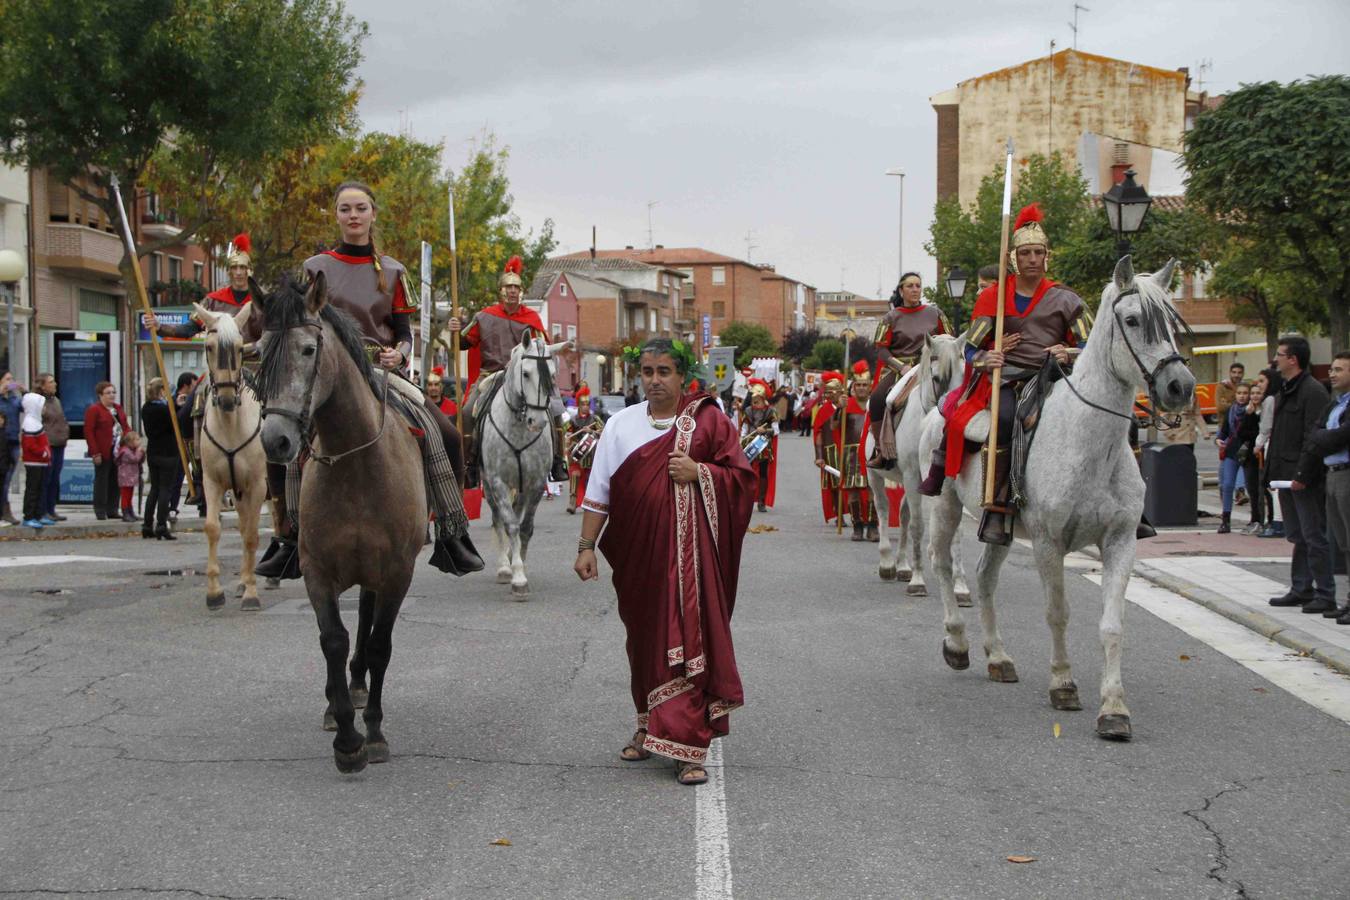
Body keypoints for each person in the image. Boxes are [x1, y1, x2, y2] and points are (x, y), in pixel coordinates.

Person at [258, 180, 481, 580]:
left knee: (445, 433)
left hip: (381, 371)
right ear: (337, 216)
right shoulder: (313, 268)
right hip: (326, 374)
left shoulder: (393, 270)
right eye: (345, 209)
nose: (353, 216)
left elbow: (404, 329)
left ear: (373, 214)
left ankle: (452, 529)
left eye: (360, 208)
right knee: (283, 440)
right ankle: (287, 538)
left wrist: (401, 350)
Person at [573, 338, 754, 786]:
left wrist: (702, 473)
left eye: (664, 372)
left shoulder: (711, 422)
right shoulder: (620, 425)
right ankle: (648, 724)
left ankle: (688, 746)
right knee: (644, 642)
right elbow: (599, 493)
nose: (654, 381)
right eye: (648, 372)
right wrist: (585, 546)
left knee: (688, 641)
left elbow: (743, 481)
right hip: (637, 560)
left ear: (682, 374)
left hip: (692, 566)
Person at [919, 203, 1092, 545]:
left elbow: (1091, 345)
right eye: (1025, 252)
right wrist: (988, 356)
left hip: (1056, 379)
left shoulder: (1068, 299)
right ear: (1014, 258)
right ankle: (999, 504)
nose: (1032, 259)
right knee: (1006, 420)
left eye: (1038, 252)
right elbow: (969, 348)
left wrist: (1068, 351)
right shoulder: (994, 298)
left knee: (1103, 419)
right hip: (1010, 380)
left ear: (1048, 256)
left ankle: (1116, 500)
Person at [447, 256, 568, 484]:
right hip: (491, 375)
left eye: (516, 287)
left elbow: (541, 347)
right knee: (466, 412)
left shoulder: (531, 319)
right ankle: (470, 464)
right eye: (508, 287)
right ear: (501, 290)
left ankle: (557, 460)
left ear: (521, 292)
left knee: (555, 408)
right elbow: (463, 343)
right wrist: (456, 329)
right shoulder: (484, 316)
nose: (512, 291)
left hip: (525, 376)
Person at [1266, 335, 1335, 613]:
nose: (1275, 360)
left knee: (1313, 535)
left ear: (1292, 359)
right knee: (1298, 535)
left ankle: (1325, 592)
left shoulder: (1312, 392)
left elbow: (1313, 437)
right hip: (1285, 475)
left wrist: (1303, 474)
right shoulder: (1286, 390)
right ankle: (1301, 588)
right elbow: (1279, 436)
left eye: (1280, 355)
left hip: (1303, 478)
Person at [867, 271, 952, 468]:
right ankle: (881, 450)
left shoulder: (935, 313)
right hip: (901, 370)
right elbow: (881, 349)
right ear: (901, 290)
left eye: (918, 286)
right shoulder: (891, 317)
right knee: (879, 398)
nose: (915, 289)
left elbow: (949, 340)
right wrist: (901, 367)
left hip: (931, 367)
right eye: (910, 286)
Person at [1305, 350, 1350, 624]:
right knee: (1343, 544)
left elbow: (1339, 436)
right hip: (1332, 474)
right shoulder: (1336, 403)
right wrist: (1325, 437)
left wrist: (1325, 437)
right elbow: (1317, 433)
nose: (1332, 374)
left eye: (1339, 370)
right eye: (1332, 369)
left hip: (1346, 474)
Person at [140, 377, 181, 539]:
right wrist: (177, 407)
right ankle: (162, 525)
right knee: (166, 489)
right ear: (161, 391)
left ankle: (147, 524)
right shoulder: (165, 410)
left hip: (153, 451)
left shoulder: (146, 408)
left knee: (155, 489)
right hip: (168, 452)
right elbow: (174, 425)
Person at [83, 381, 129, 521]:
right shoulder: (94, 410)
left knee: (115, 480)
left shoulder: (117, 408)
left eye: (113, 392)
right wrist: (95, 452)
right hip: (103, 450)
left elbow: (125, 426)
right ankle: (100, 509)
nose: (112, 395)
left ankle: (112, 508)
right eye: (108, 393)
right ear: (100, 395)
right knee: (101, 480)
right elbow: (89, 432)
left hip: (118, 450)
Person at [1214, 381, 1250, 533]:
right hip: (1231, 450)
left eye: (1245, 393)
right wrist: (1218, 440)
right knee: (1227, 485)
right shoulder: (1231, 410)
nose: (1242, 396)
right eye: (1239, 393)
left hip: (1248, 451)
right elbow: (1224, 431)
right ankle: (1226, 519)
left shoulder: (1252, 411)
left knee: (1251, 486)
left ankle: (1256, 518)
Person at [739, 378, 779, 513]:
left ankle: (761, 501)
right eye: (753, 400)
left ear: (762, 398)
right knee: (748, 472)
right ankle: (747, 499)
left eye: (757, 400)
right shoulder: (748, 411)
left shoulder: (770, 412)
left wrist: (766, 431)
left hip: (763, 444)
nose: (755, 403)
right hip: (751, 444)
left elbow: (776, 430)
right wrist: (742, 440)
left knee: (763, 473)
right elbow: (744, 429)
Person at [1236, 377, 1268, 535]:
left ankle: (1263, 520)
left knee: (1263, 490)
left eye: (1258, 393)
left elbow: (1260, 433)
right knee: (1253, 490)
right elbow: (1242, 434)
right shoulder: (1248, 412)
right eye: (1253, 393)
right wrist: (1248, 415)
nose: (1255, 396)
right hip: (1249, 456)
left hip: (1262, 456)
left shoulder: (1266, 412)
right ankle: (1254, 519)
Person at [1255, 368, 1284, 537]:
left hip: (1271, 445)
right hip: (1278, 444)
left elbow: (1265, 427)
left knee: (1273, 486)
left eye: (1262, 381)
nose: (1259, 385)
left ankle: (1278, 523)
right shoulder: (1279, 398)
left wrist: (1258, 444)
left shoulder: (1270, 400)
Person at [35, 373, 69, 522]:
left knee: (55, 478)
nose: (54, 384)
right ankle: (42, 510)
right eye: (50, 382)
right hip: (48, 444)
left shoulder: (56, 400)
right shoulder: (39, 402)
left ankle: (51, 509)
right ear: (42, 386)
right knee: (46, 479)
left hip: (60, 443)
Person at [19, 391, 50, 529]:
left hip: (41, 462)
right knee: (32, 489)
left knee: (39, 489)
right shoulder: (30, 423)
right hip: (34, 462)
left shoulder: (36, 421)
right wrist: (43, 453)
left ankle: (38, 514)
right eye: (42, 405)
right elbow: (29, 445)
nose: (44, 408)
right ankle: (29, 516)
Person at [0, 370, 22, 524]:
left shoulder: (14, 398)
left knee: (7, 477)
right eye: (7, 379)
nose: (10, 382)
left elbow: (25, 407)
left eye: (11, 379)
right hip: (1, 441)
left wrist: (24, 391)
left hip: (13, 441)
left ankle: (5, 510)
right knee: (3, 479)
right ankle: (4, 510)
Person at [114, 431, 145, 524]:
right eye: (137, 440)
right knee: (125, 495)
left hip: (131, 477)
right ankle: (125, 512)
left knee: (130, 495)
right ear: (130, 442)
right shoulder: (126, 452)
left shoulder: (132, 450)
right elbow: (134, 459)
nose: (139, 442)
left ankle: (130, 511)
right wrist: (139, 452)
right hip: (126, 477)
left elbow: (140, 460)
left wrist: (141, 453)